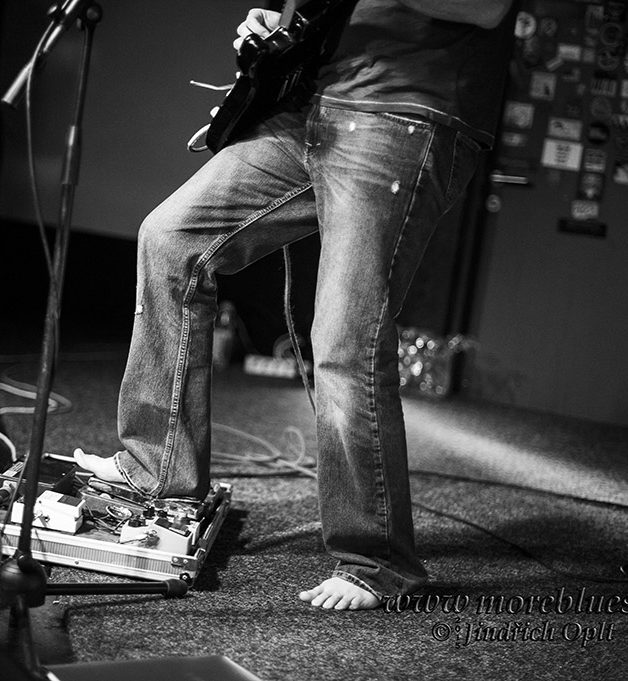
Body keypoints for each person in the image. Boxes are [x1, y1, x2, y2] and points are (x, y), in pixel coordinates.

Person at [76, 0, 516, 611]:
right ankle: (160, 469)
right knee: (171, 239)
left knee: (345, 336)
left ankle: (377, 562)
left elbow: (489, 9)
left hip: (404, 114)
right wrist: (276, 28)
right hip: (313, 106)